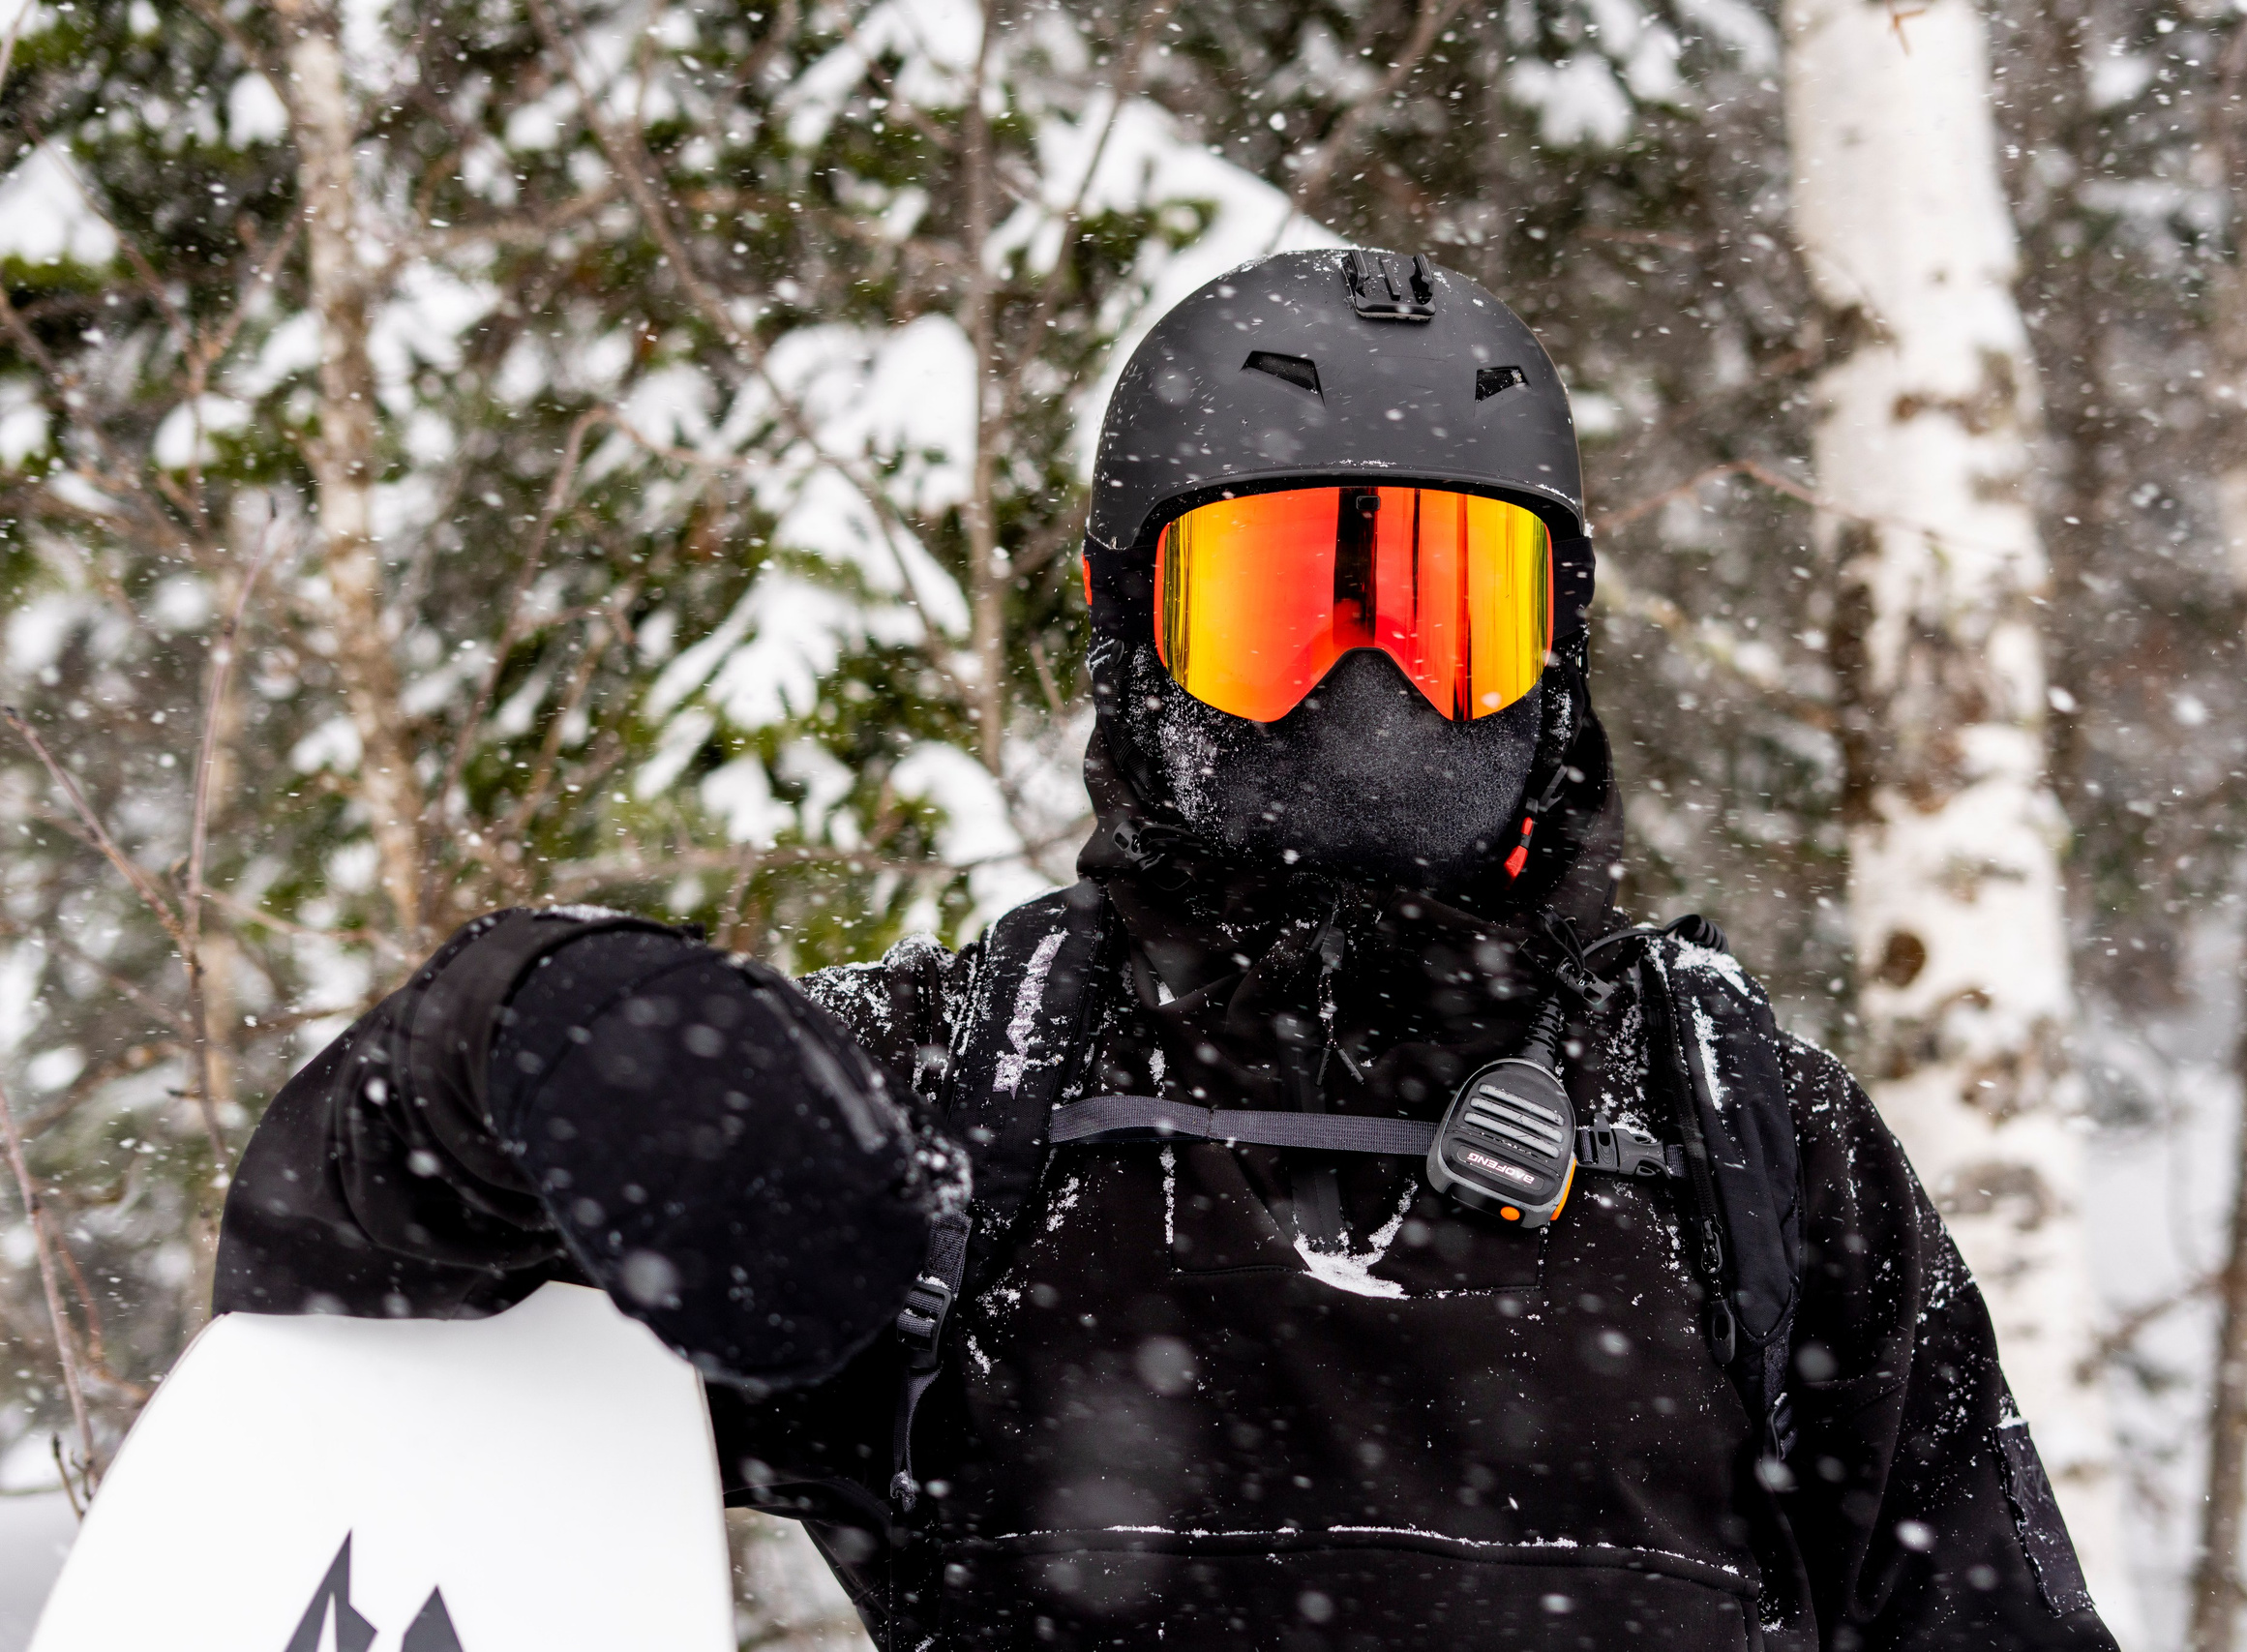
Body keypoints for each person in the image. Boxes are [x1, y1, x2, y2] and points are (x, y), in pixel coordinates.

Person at [215, 249, 2118, 1651]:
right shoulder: (972, 1097)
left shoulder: (1739, 1140)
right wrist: (540, 1024)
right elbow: (350, 1275)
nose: (1369, 694)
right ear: (1134, 632)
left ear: (1561, 655)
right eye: (1279, 612)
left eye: (1447, 614)